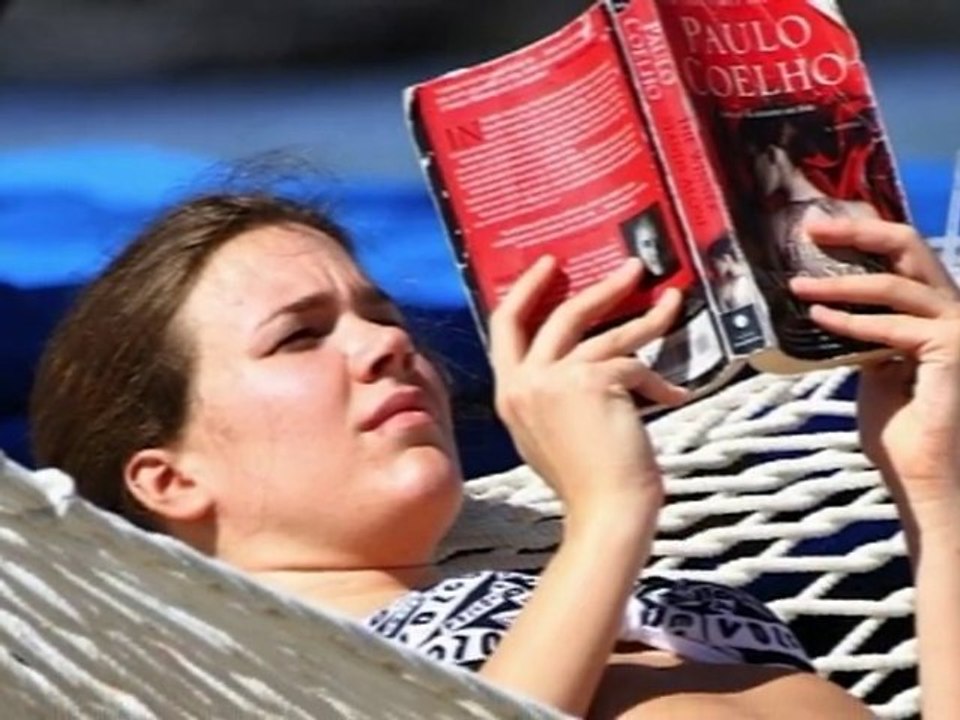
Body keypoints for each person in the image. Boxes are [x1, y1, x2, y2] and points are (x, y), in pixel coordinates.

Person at [29, 193, 959, 719]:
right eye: (299, 337)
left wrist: (934, 481)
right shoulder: (230, 689)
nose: (386, 345)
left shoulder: (594, 588)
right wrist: (607, 511)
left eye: (382, 314)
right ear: (171, 478)